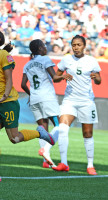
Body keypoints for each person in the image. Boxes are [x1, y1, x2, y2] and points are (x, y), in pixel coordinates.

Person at [0, 29, 55, 182]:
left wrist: (5, 95)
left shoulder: (3, 56)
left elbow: (9, 79)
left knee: (14, 138)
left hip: (7, 101)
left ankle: (40, 132)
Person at [51, 35, 101, 175]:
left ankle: (90, 165)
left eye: (79, 45)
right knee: (62, 129)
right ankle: (63, 163)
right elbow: (55, 78)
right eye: (73, 45)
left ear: (84, 46)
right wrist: (62, 77)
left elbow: (99, 81)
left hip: (86, 101)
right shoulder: (66, 59)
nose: (76, 47)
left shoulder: (91, 61)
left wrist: (95, 77)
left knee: (87, 133)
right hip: (70, 101)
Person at [21, 39, 62, 168]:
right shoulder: (45, 60)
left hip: (34, 99)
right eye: (44, 46)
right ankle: (46, 151)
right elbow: (55, 78)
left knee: (42, 129)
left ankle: (45, 162)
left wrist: (31, 94)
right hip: (47, 97)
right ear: (39, 48)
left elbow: (22, 85)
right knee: (59, 126)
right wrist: (65, 76)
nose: (46, 48)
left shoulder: (27, 65)